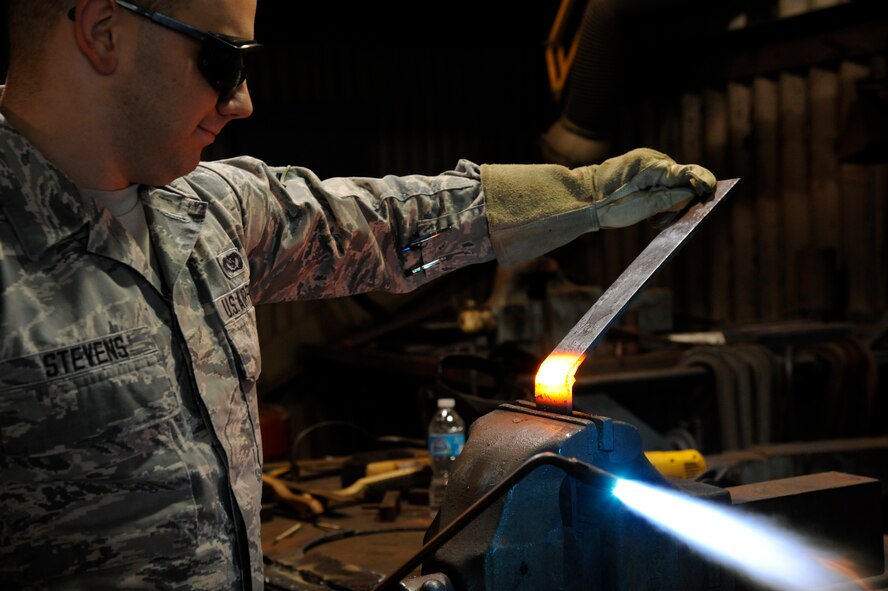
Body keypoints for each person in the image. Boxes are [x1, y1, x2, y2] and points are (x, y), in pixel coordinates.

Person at [0, 0, 717, 588]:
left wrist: (586, 194)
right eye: (221, 60)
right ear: (102, 31)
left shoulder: (204, 211)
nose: (241, 101)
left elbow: (389, 220)